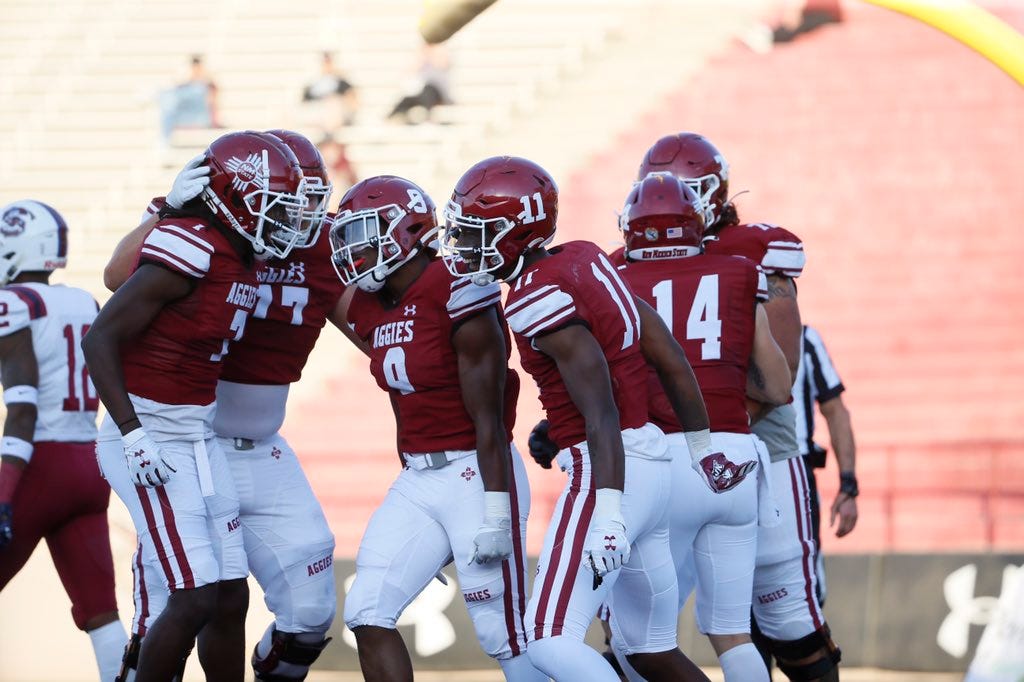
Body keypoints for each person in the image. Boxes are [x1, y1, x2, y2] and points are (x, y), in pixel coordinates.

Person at [443, 155, 743, 682]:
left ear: (517, 231)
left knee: (548, 640)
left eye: (477, 233)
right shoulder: (583, 257)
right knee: (649, 647)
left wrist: (608, 512)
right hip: (653, 465)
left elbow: (601, 407)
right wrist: (700, 450)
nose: (465, 246)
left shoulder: (534, 295)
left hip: (608, 472)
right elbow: (668, 355)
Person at [103, 130, 350, 681]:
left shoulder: (320, 247)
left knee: (305, 612)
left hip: (259, 447)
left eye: (310, 201)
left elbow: (378, 333)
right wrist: (164, 211)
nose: (301, 217)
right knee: (191, 598)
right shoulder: (209, 238)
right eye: (289, 202)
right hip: (188, 440)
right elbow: (117, 282)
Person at [637, 132, 842, 681]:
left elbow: (779, 380)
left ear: (716, 192)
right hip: (673, 456)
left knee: (786, 620)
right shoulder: (636, 259)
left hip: (756, 449)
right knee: (640, 622)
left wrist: (696, 434)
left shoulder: (755, 252)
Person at [330, 175, 543, 682]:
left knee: (504, 633)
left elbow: (488, 420)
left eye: (363, 233)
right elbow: (338, 307)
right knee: (367, 610)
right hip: (419, 477)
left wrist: (496, 510)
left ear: (406, 229)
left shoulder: (456, 290)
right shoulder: (370, 304)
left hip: (477, 469)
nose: (354, 249)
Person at [605, 173, 792, 681]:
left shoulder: (614, 276)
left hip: (659, 462)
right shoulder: (740, 271)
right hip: (732, 459)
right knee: (731, 632)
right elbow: (778, 387)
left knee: (635, 637)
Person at [0, 200, 129, 682]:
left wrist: (5, 492)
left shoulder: (14, 304)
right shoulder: (83, 301)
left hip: (39, 463)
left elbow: (24, 405)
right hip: (88, 464)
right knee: (101, 612)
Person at [792, 324, 858, 604]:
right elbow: (835, 410)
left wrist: (848, 484)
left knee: (806, 589)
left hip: (795, 471)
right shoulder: (732, 330)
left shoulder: (804, 339)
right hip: (750, 474)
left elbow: (835, 410)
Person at [158, 55, 220, 150]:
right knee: (167, 101)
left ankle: (164, 142)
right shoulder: (184, 85)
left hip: (199, 118)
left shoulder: (206, 85)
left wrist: (215, 121)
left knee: (169, 101)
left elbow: (212, 104)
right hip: (185, 115)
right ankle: (164, 142)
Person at [387, 42, 453, 125]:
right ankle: (392, 117)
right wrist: (422, 57)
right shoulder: (422, 58)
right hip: (422, 92)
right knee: (408, 98)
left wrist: (432, 54)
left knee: (428, 90)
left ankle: (428, 117)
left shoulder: (440, 53)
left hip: (436, 92)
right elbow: (408, 72)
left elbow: (443, 64)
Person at [302, 51, 359, 134]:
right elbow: (305, 103)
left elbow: (353, 101)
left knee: (333, 103)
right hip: (318, 116)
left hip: (337, 116)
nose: (326, 66)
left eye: (328, 62)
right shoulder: (313, 84)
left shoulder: (341, 82)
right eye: (325, 63)